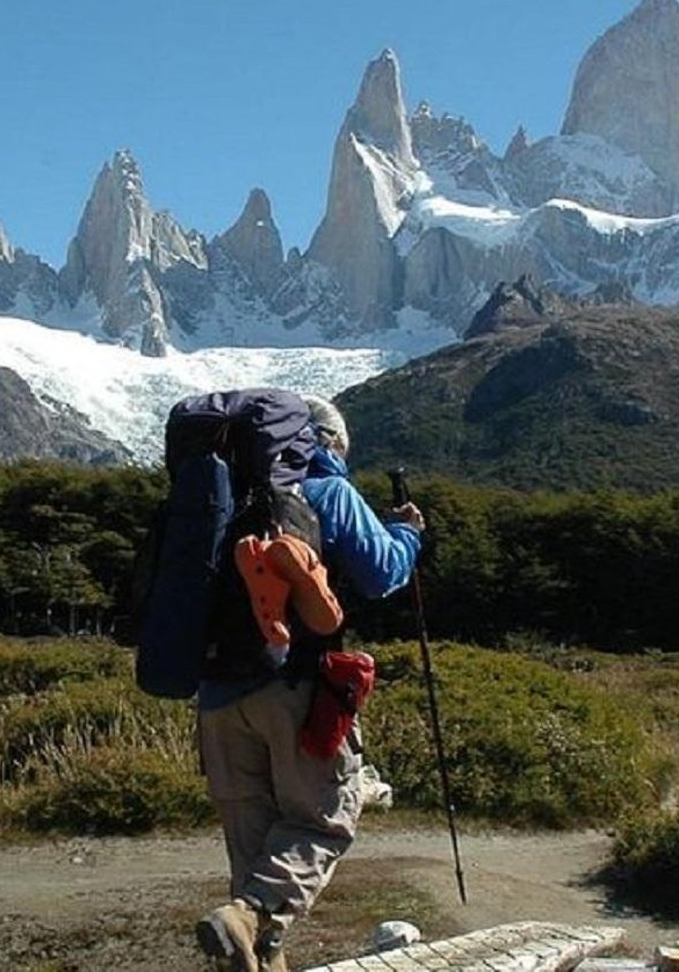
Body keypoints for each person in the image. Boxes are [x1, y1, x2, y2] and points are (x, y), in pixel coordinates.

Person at [195, 395, 425, 972]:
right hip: (295, 687)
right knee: (322, 818)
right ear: (323, 443)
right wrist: (408, 537)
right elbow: (380, 574)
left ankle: (252, 939)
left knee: (254, 856)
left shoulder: (220, 497)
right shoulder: (327, 490)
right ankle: (247, 917)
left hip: (218, 697)